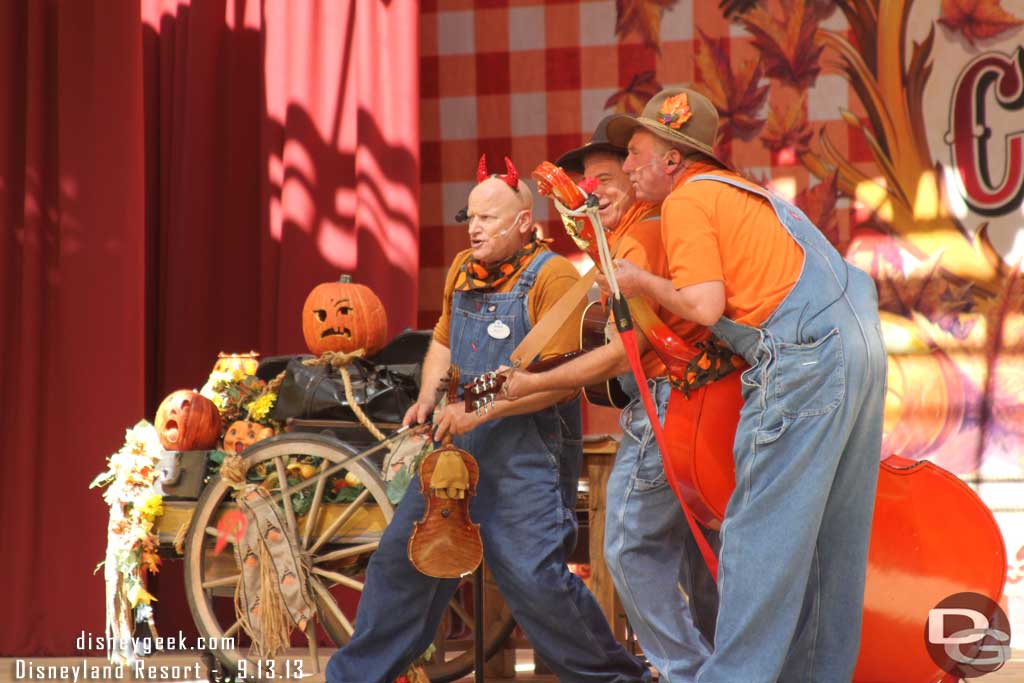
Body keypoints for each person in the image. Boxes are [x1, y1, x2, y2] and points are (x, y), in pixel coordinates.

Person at [594, 88, 885, 683]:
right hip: (861, 345)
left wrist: (637, 279)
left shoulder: (685, 202)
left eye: (636, 152)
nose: (625, 166)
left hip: (801, 355)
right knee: (833, 543)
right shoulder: (746, 193)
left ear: (673, 160)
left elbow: (702, 306)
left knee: (755, 534)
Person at [325, 157, 650, 683]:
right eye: (469, 217)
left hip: (527, 457)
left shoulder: (553, 276)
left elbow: (559, 381)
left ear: (523, 223)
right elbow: (443, 342)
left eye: (487, 220)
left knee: (533, 579)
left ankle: (615, 679)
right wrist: (430, 396)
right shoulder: (462, 269)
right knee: (403, 563)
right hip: (454, 452)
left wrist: (475, 413)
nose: (473, 228)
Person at [503, 116, 720, 682]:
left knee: (626, 547)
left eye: (606, 175)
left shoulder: (642, 234)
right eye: (585, 182)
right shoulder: (620, 241)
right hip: (696, 402)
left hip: (668, 400)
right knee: (703, 553)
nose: (593, 189)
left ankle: (687, 673)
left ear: (634, 171)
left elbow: (631, 350)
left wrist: (539, 382)